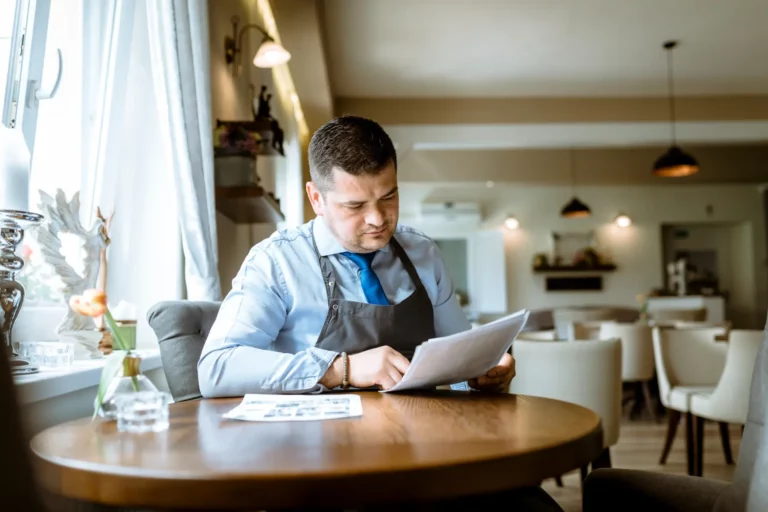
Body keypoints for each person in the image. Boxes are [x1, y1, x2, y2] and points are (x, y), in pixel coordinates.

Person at [198, 115, 562, 511]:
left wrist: (483, 374)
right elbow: (216, 367)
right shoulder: (277, 262)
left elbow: (460, 355)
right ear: (316, 198)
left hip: (428, 457)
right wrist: (343, 369)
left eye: (388, 197)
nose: (377, 219)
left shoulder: (424, 253)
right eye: (355, 205)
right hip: (320, 468)